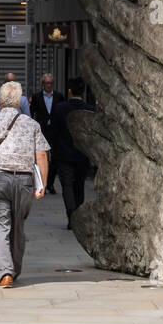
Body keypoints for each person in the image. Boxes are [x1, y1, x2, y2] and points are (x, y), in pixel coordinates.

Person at [0, 81, 49, 287]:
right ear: (20, 102)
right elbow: (41, 155)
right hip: (24, 181)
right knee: (17, 226)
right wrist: (43, 184)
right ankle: (14, 269)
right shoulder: (32, 124)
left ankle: (5, 272)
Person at [52, 77, 97, 229]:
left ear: (69, 91)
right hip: (82, 154)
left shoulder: (59, 108)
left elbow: (54, 132)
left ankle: (72, 213)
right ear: (83, 92)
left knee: (66, 185)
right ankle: (77, 212)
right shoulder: (90, 110)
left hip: (64, 153)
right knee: (79, 185)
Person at [30, 73, 64, 194]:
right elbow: (32, 112)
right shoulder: (36, 97)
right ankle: (40, 184)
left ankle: (50, 183)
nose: (49, 85)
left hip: (55, 130)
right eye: (47, 83)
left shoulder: (59, 96)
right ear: (43, 84)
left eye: (51, 83)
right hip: (42, 130)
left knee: (55, 158)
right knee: (39, 157)